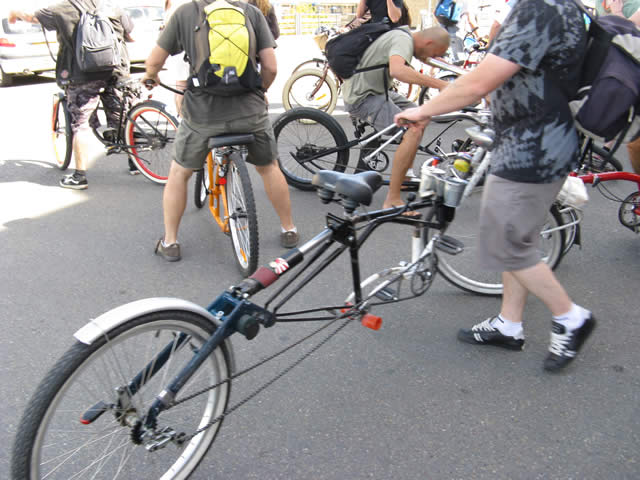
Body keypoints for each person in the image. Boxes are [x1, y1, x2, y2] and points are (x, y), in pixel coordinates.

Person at [396, 0, 596, 372]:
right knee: (520, 239)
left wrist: (423, 110)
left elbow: (480, 82)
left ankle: (570, 317)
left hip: (532, 145)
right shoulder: (557, 5)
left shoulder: (539, 8)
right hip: (534, 139)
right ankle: (509, 324)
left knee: (504, 243)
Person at [144, 0, 298, 262]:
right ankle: (289, 229)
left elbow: (155, 61)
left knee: (179, 173)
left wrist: (151, 75)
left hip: (203, 115)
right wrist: (259, 90)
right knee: (269, 167)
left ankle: (170, 242)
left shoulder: (185, 12)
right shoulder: (250, 12)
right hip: (250, 112)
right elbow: (271, 67)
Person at [9, 0, 134, 190]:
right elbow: (130, 35)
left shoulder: (61, 9)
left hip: (83, 72)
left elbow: (31, 17)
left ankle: (79, 176)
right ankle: (134, 163)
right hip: (117, 67)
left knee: (80, 124)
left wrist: (14, 12)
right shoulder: (110, 4)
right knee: (122, 114)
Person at [342, 26, 450, 212]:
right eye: (435, 53)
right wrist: (440, 84)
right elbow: (397, 71)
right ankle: (392, 200)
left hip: (377, 92)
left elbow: (422, 57)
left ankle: (404, 177)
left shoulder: (406, 34)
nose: (431, 58)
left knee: (420, 115)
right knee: (411, 130)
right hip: (363, 97)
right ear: (429, 42)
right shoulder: (403, 40)